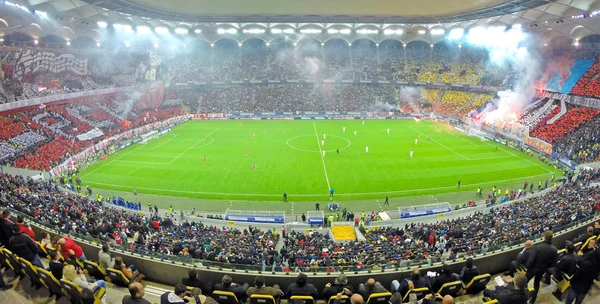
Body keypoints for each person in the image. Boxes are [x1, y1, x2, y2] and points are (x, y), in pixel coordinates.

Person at [525, 230, 558, 303]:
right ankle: (533, 300)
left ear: (544, 237)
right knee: (536, 284)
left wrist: (528, 267)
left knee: (524, 282)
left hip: (532, 269)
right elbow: (553, 264)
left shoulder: (537, 247)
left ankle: (523, 298)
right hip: (542, 270)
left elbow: (531, 260)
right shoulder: (554, 250)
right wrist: (546, 268)